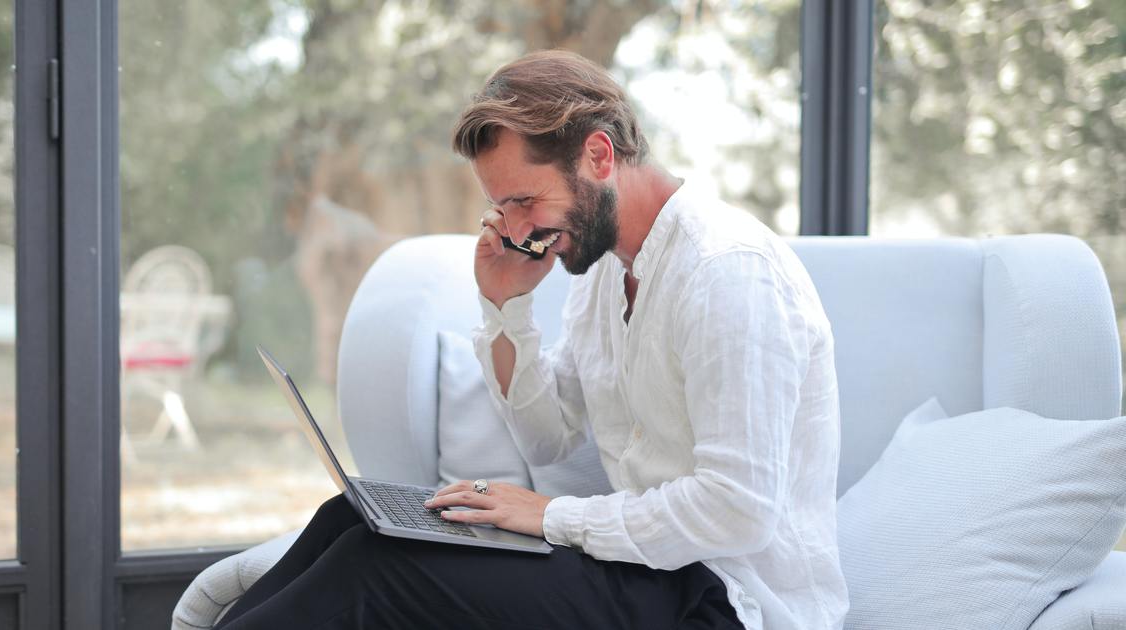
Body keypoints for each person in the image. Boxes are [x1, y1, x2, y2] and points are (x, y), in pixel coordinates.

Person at [214, 50, 847, 630]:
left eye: (523, 200)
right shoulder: (608, 272)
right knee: (351, 520)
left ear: (598, 157)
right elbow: (549, 435)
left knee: (376, 570)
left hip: (725, 599)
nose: (514, 229)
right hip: (649, 569)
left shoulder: (725, 272)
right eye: (500, 206)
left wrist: (547, 516)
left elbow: (738, 509)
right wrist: (504, 305)